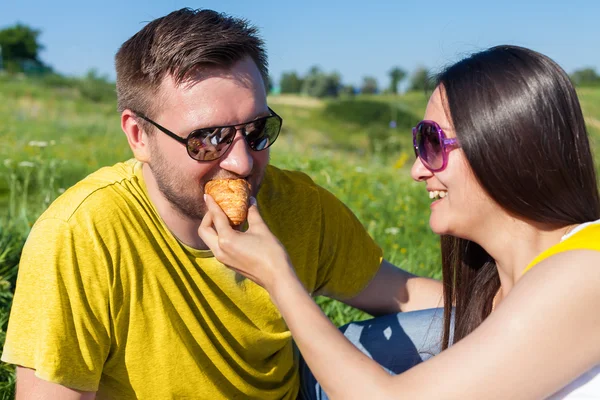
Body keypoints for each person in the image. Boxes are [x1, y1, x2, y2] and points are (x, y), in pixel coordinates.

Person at [1, 8, 444, 399]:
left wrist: (513, 300)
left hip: (303, 389)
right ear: (139, 135)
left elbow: (402, 295)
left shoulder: (296, 205)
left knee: (465, 330)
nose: (242, 162)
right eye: (208, 139)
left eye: (257, 131)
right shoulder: (84, 234)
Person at [200, 45, 600, 399]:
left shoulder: (587, 269)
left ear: (504, 147)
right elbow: (412, 296)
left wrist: (278, 277)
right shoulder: (502, 288)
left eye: (432, 143)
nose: (416, 170)